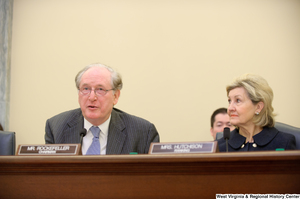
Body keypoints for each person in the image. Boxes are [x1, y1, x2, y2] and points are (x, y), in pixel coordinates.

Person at [45, 63, 160, 155]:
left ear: (115, 96)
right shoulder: (56, 128)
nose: (91, 97)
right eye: (85, 89)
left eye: (100, 89)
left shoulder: (143, 132)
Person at [218, 74, 296, 152]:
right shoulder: (220, 146)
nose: (230, 108)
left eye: (238, 100)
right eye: (229, 101)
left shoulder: (284, 143)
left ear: (258, 107)